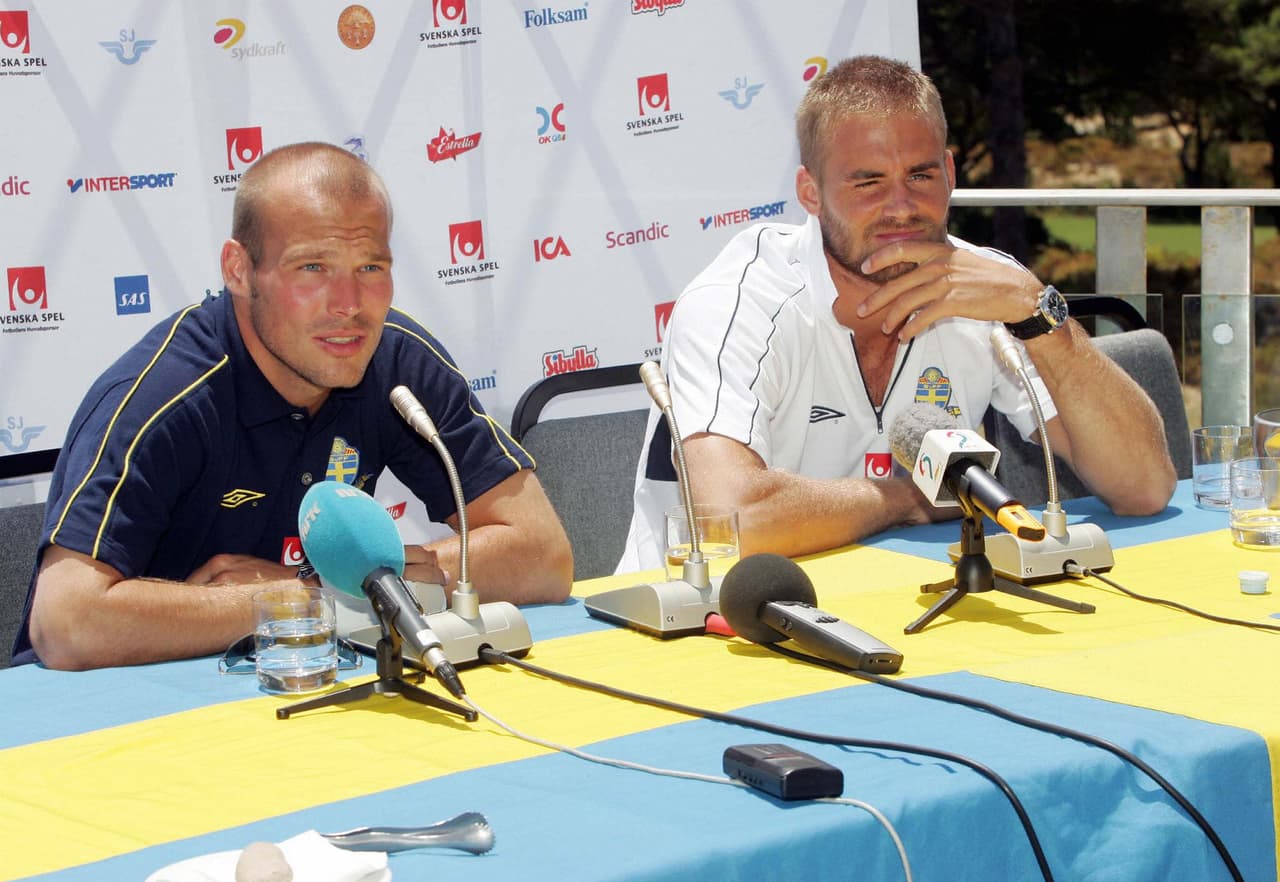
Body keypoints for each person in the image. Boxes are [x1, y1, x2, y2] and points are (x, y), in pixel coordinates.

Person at [16, 142, 573, 670]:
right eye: (312, 267)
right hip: (119, 718)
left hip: (306, 681)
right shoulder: (163, 395)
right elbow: (65, 622)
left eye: (371, 267)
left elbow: (543, 554)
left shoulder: (398, 362)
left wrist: (347, 585)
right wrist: (307, 595)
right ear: (238, 270)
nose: (350, 305)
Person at [618, 55, 1175, 571]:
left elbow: (1145, 487)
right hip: (698, 618)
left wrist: (1041, 319)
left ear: (951, 174)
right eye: (868, 182)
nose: (902, 207)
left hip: (894, 598)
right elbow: (730, 523)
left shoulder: (991, 289)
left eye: (921, 175)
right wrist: (904, 497)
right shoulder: (737, 302)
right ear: (810, 193)